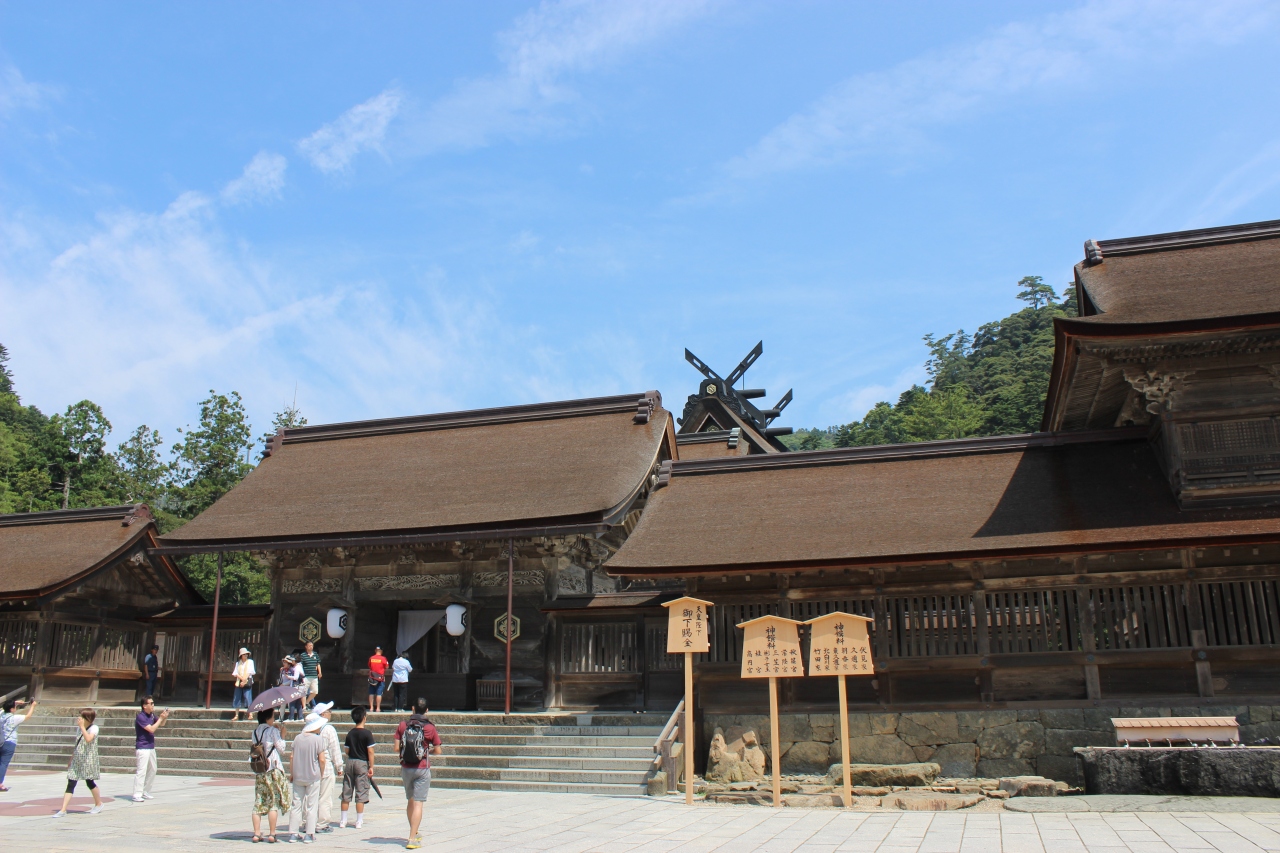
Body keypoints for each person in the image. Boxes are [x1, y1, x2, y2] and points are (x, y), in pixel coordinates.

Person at [394, 697, 442, 851]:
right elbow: (438, 751)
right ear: (427, 710)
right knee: (418, 803)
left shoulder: (402, 725)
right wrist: (427, 751)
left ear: (413, 708)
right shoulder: (430, 728)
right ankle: (412, 837)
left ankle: (414, 831)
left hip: (406, 767)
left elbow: (396, 748)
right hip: (422, 767)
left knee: (410, 800)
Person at [250, 707, 290, 843]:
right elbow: (282, 749)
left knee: (259, 801)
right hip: (272, 768)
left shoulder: (255, 732)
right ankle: (272, 834)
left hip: (260, 770)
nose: (274, 719)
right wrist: (282, 734)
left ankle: (256, 833)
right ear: (268, 717)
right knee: (272, 802)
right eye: (272, 716)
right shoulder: (272, 730)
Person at [54, 708, 102, 817]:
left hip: (88, 760)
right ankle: (63, 809)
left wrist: (82, 727)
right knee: (71, 782)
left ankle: (98, 803)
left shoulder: (94, 728)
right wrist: (71, 758)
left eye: (82, 717)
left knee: (89, 782)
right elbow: (77, 744)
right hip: (77, 759)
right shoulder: (79, 729)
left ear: (88, 718)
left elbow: (88, 739)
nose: (79, 719)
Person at [288, 716, 327, 844]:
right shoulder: (318, 739)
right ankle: (309, 834)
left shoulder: (297, 738)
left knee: (296, 804)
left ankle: (293, 833)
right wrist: (321, 773)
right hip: (313, 776)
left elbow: (292, 757)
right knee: (312, 805)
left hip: (298, 775)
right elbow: (322, 759)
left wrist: (292, 773)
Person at [340, 706, 375, 829]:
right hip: (362, 762)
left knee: (347, 790)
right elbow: (370, 751)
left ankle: (343, 820)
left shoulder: (350, 733)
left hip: (350, 762)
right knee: (361, 791)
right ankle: (359, 821)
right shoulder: (367, 733)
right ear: (364, 718)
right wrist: (371, 766)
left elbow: (346, 749)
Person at [310, 702, 343, 833]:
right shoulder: (328, 729)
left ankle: (308, 821)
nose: (330, 713)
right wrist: (339, 766)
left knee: (311, 796)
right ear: (323, 714)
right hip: (327, 767)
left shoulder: (309, 728)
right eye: (329, 711)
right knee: (325, 797)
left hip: (311, 767)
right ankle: (322, 823)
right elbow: (335, 749)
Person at [132, 696, 169, 802]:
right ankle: (137, 794)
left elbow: (161, 724)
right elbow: (151, 729)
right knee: (141, 770)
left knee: (153, 769)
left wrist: (164, 717)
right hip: (142, 747)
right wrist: (161, 718)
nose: (153, 705)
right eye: (151, 703)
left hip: (150, 746)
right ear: (144, 706)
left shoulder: (151, 715)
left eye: (153, 703)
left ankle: (145, 791)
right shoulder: (141, 717)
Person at [0, 697, 37, 792]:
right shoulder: (14, 718)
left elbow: (4, 708)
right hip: (9, 742)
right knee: (3, 763)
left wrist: (15, 703)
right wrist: (32, 706)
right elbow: (28, 716)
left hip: (1, 741)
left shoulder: (1, 715)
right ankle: (0, 783)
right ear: (12, 709)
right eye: (14, 707)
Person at [232, 648, 256, 722]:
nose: (246, 656)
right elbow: (235, 673)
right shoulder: (238, 663)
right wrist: (241, 679)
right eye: (244, 655)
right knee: (237, 697)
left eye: (246, 654)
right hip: (239, 681)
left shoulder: (250, 662)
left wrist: (244, 680)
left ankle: (250, 714)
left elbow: (251, 672)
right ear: (241, 655)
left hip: (247, 680)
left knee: (248, 697)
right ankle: (236, 714)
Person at [280, 655, 304, 722]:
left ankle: (291, 718)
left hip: (296, 686)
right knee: (298, 703)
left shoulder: (297, 667)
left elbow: (296, 677)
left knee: (292, 702)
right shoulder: (297, 667)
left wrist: (288, 677)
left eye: (292, 660)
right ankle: (300, 717)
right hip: (299, 686)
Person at [299, 641, 322, 710]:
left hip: (314, 676)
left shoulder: (315, 654)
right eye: (309, 645)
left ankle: (307, 702)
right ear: (306, 646)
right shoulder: (303, 655)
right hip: (306, 676)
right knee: (304, 692)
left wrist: (319, 672)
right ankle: (304, 707)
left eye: (312, 645)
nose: (311, 647)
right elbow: (300, 665)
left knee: (315, 691)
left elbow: (318, 664)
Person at [367, 646, 389, 713]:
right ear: (381, 651)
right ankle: (378, 708)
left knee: (371, 693)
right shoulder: (383, 658)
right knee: (379, 694)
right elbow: (387, 667)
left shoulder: (371, 658)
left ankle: (371, 708)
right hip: (380, 678)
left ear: (375, 650)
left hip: (372, 678)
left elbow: (369, 666)